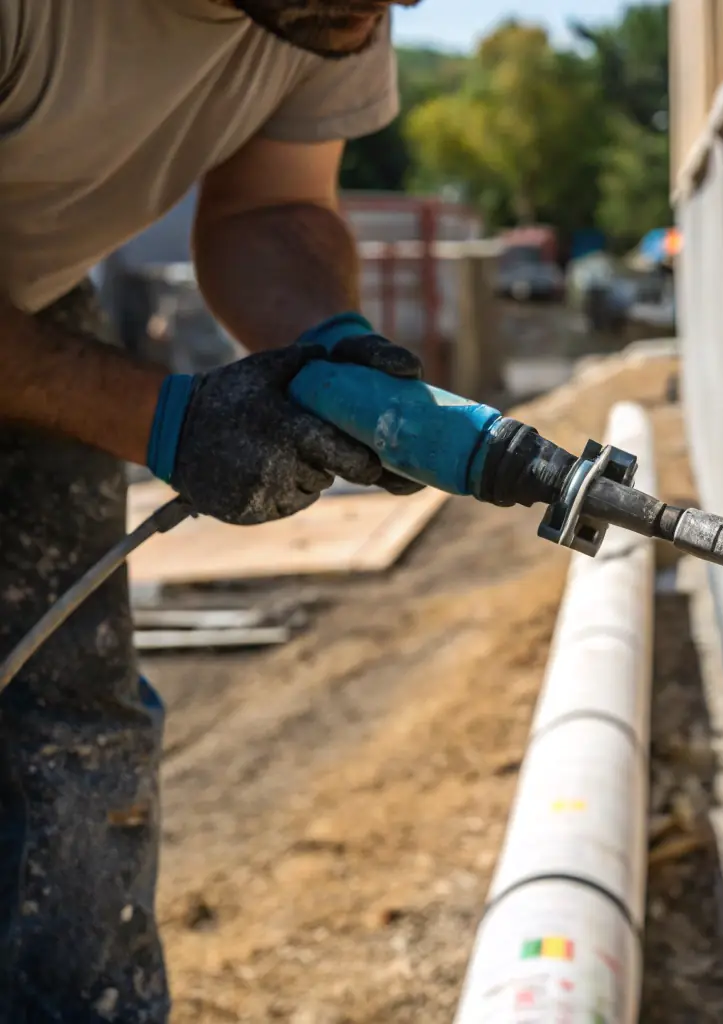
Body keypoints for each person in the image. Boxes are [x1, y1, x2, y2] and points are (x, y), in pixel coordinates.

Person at [0, 2, 426, 1018]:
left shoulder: (333, 10)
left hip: (28, 302)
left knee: (70, 738)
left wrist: (328, 345)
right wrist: (169, 418)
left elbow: (269, 210)